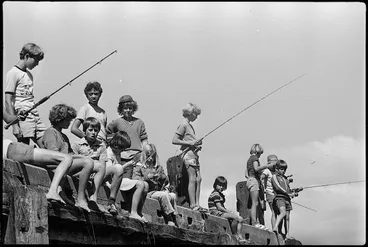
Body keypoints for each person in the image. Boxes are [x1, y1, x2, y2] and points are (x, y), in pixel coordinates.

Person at [3, 108, 72, 205]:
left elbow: (10, 119)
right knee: (66, 158)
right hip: (10, 149)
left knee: (66, 159)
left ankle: (57, 191)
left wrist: (18, 117)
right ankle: (53, 191)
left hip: (12, 149)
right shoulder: (51, 132)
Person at [40, 103, 95, 212]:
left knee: (97, 165)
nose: (70, 123)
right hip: (55, 166)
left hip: (66, 164)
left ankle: (85, 196)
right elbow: (53, 154)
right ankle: (80, 198)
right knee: (88, 162)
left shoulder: (64, 136)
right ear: (60, 119)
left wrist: (77, 156)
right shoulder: (50, 132)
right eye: (68, 120)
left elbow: (69, 154)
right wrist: (79, 157)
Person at [4, 43, 47, 146]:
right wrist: (15, 126)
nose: (37, 64)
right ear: (27, 56)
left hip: (34, 114)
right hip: (22, 116)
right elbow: (7, 101)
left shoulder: (29, 75)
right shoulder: (13, 73)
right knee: (24, 148)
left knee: (46, 143)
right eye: (36, 60)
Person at [133, 143, 178, 226]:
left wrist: (160, 176)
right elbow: (135, 180)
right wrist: (147, 177)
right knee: (163, 195)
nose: (150, 159)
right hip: (147, 193)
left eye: (152, 156)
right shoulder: (139, 166)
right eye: (148, 156)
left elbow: (166, 180)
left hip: (157, 191)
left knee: (173, 195)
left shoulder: (158, 167)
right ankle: (169, 218)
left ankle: (174, 216)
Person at [172, 102, 205, 211]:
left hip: (194, 155)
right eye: (196, 114)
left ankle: (197, 204)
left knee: (199, 179)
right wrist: (191, 143)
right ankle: (193, 204)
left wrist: (195, 145)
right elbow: (174, 140)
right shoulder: (184, 125)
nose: (197, 117)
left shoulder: (190, 126)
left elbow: (189, 141)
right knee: (193, 178)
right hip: (188, 156)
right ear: (190, 113)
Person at [71, 117, 108, 212]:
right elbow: (72, 163)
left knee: (102, 166)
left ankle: (93, 199)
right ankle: (83, 198)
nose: (93, 133)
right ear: (84, 130)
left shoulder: (101, 146)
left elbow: (103, 165)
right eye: (90, 130)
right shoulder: (77, 144)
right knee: (92, 163)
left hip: (95, 174)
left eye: (96, 130)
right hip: (79, 173)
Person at [102, 130, 141, 216]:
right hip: (107, 179)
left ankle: (136, 212)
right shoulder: (108, 152)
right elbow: (110, 171)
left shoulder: (117, 154)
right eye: (122, 148)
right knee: (119, 168)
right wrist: (127, 165)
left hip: (114, 179)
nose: (123, 150)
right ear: (116, 145)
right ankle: (112, 202)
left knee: (141, 184)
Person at [208, 176, 248, 244]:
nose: (221, 187)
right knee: (238, 218)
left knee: (236, 219)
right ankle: (237, 235)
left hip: (219, 212)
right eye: (219, 185)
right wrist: (229, 212)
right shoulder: (215, 194)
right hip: (216, 213)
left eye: (223, 186)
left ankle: (236, 235)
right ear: (215, 185)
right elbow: (219, 207)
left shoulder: (219, 194)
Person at [271, 160, 302, 240]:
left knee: (287, 217)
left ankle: (287, 234)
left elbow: (288, 190)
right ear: (277, 169)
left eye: (284, 169)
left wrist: (295, 191)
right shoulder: (274, 177)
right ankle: (275, 228)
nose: (283, 171)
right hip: (279, 198)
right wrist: (288, 193)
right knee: (283, 213)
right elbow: (278, 187)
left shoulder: (285, 179)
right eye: (281, 169)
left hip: (287, 199)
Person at [245, 144, 273, 230]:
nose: (260, 155)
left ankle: (254, 221)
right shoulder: (254, 158)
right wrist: (267, 166)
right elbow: (256, 168)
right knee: (255, 203)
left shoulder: (249, 159)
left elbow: (246, 174)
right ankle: (254, 222)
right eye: (260, 153)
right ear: (257, 151)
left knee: (253, 203)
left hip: (250, 180)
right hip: (254, 181)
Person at [260, 154, 279, 230]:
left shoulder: (276, 171)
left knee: (278, 212)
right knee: (274, 212)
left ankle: (278, 229)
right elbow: (261, 177)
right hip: (270, 193)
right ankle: (275, 229)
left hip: (277, 193)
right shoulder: (267, 171)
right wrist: (263, 189)